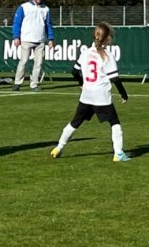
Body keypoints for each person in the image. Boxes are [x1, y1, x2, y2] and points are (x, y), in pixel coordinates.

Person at [51, 22, 131, 161]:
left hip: (87, 95)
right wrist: (124, 95)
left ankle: (58, 147)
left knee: (74, 122)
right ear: (107, 39)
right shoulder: (106, 55)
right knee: (114, 122)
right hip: (101, 96)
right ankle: (118, 153)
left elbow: (74, 72)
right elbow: (115, 79)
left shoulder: (86, 52)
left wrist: (82, 83)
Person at [12, 0, 54, 91]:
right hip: (26, 39)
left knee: (38, 64)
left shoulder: (46, 9)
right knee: (23, 61)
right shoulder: (23, 7)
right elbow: (17, 23)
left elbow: (48, 25)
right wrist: (16, 37)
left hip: (40, 40)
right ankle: (17, 83)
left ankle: (34, 84)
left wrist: (50, 39)